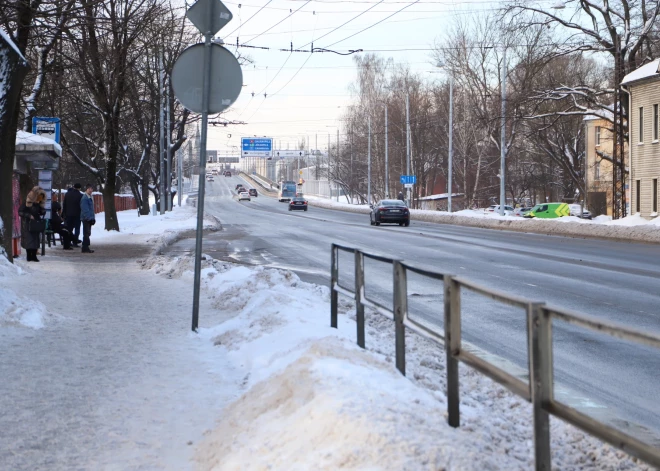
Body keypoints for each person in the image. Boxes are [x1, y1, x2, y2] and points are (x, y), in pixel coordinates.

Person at [18, 186, 47, 262]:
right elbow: (20, 212)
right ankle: (29, 256)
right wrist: (28, 215)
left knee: (36, 240)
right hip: (28, 223)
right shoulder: (27, 203)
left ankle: (34, 256)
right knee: (29, 240)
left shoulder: (38, 203)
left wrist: (43, 211)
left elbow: (40, 211)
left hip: (36, 223)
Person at [80, 184, 96, 253]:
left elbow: (91, 209)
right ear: (86, 189)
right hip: (86, 218)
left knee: (88, 233)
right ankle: (85, 247)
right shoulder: (85, 198)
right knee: (86, 233)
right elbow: (85, 210)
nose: (90, 190)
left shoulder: (89, 197)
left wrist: (92, 218)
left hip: (88, 218)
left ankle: (86, 246)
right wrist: (90, 218)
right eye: (89, 189)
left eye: (91, 189)